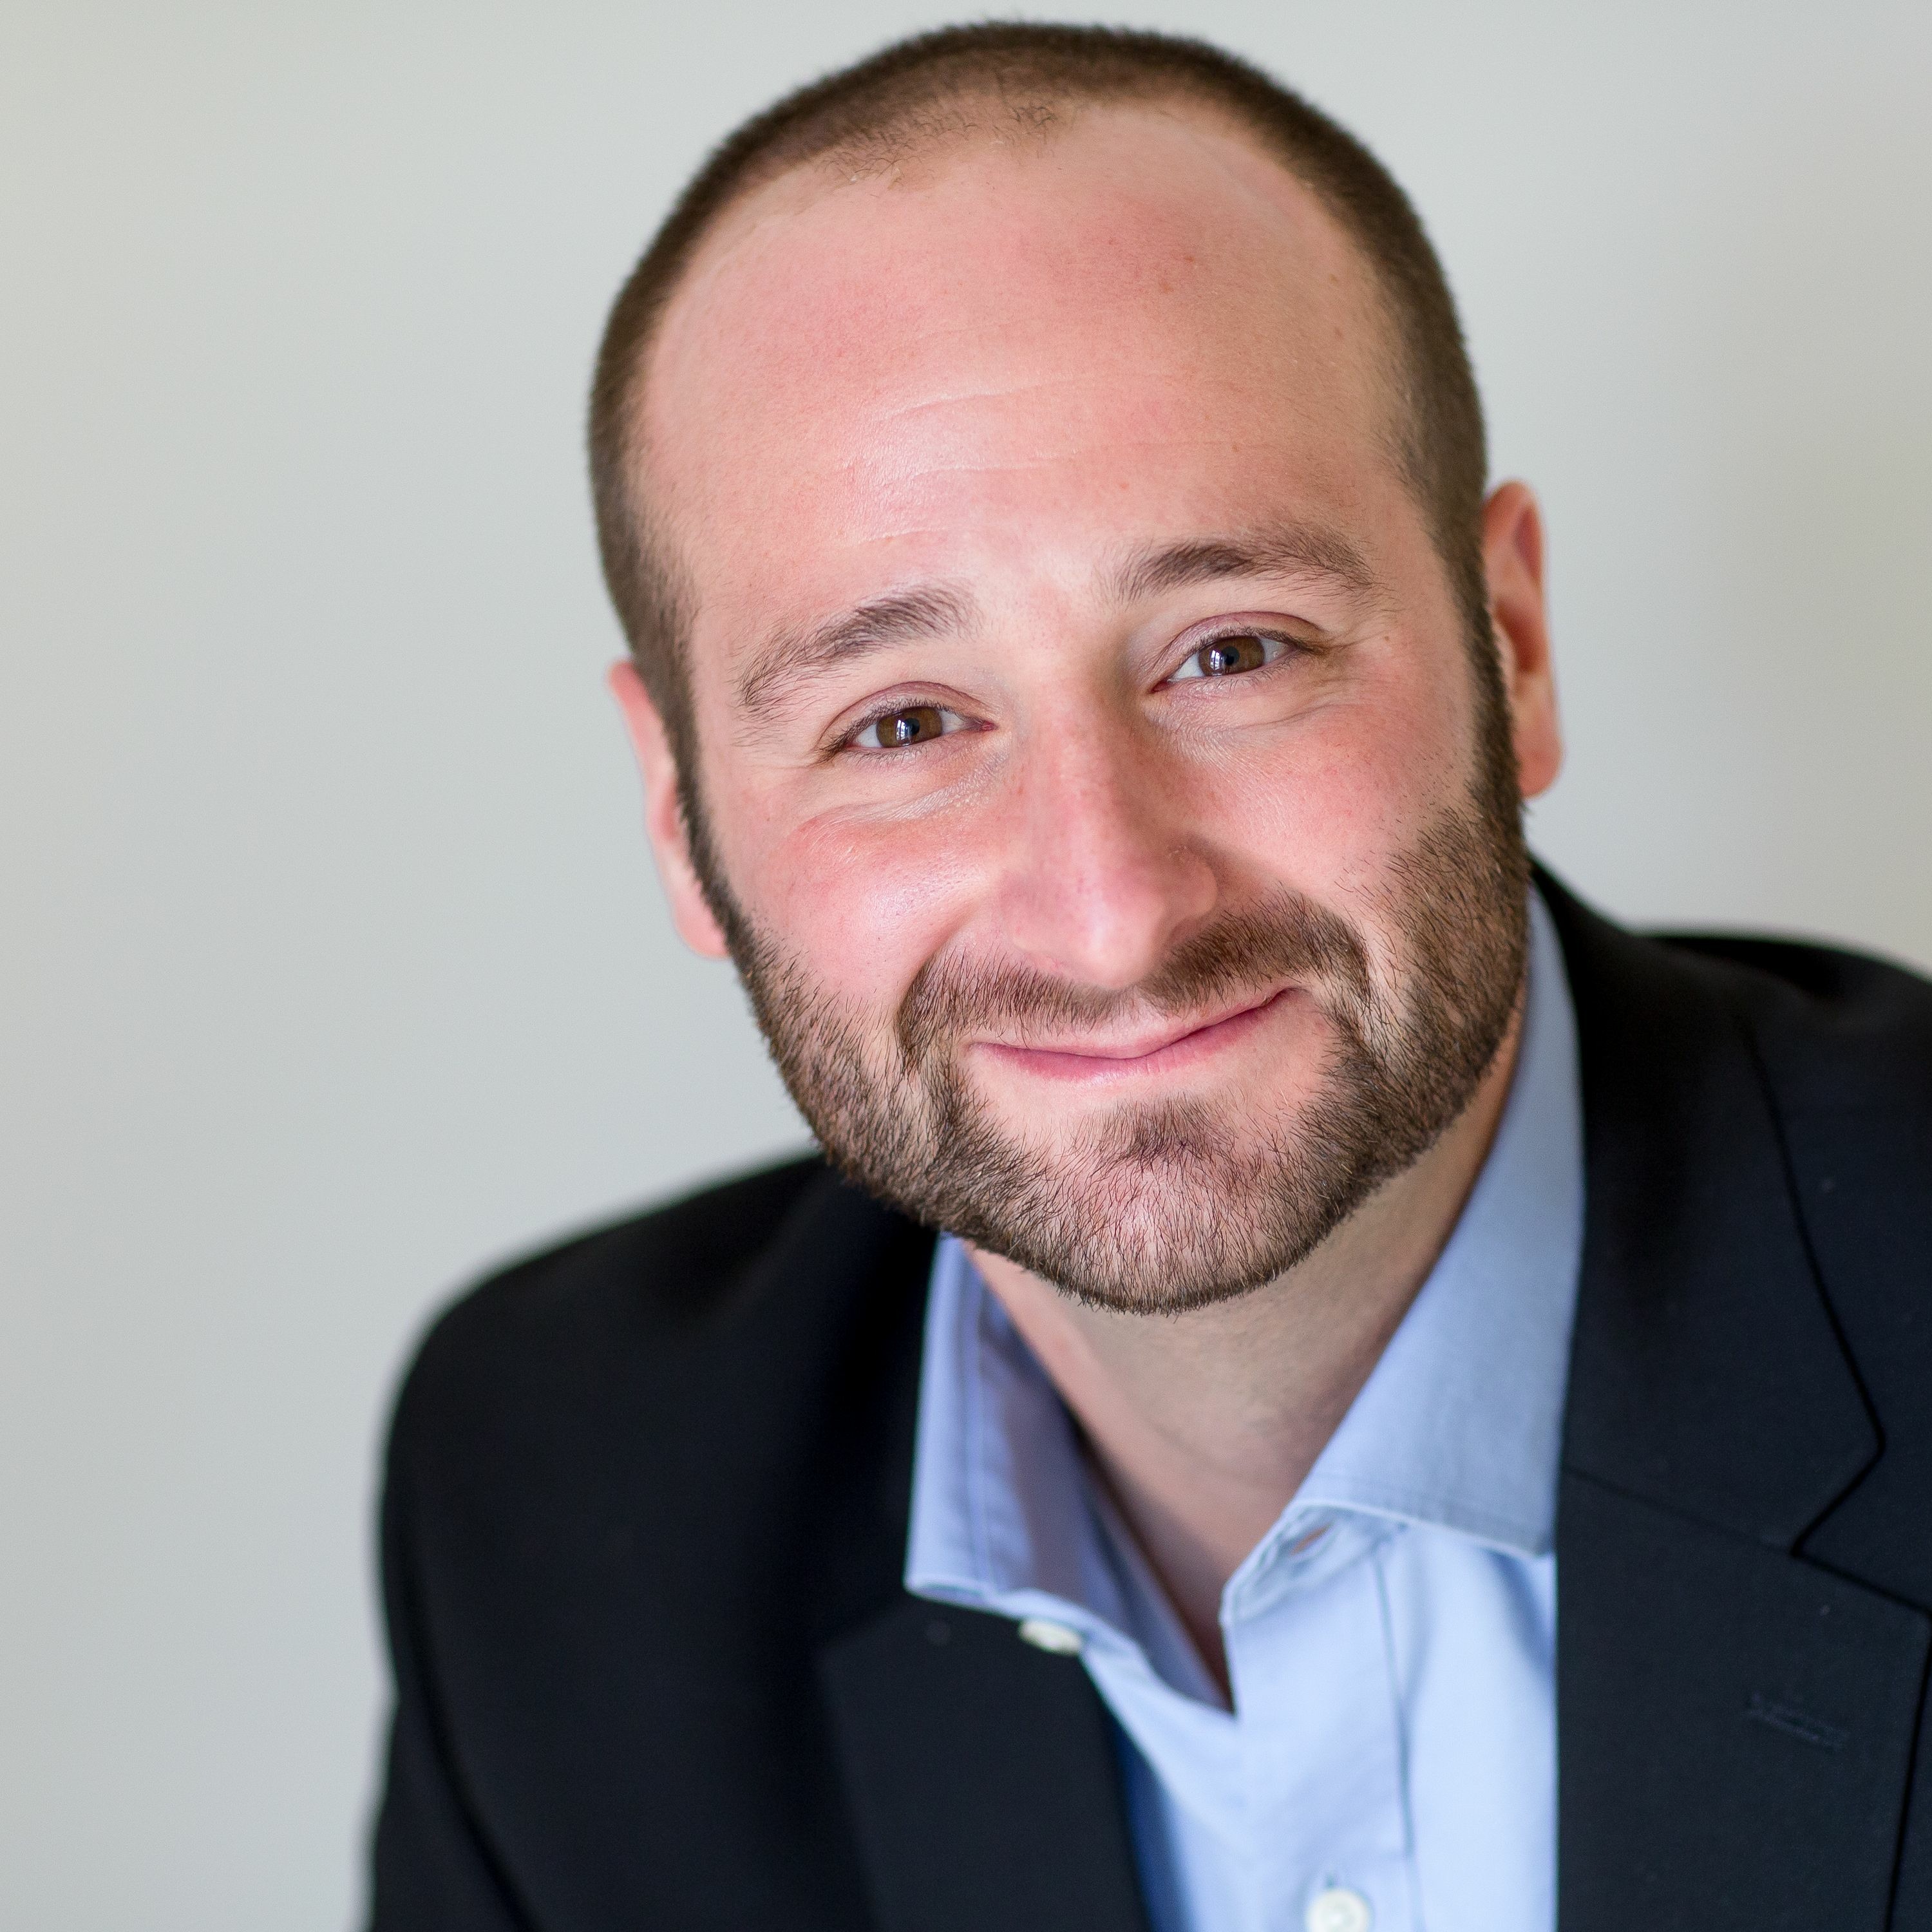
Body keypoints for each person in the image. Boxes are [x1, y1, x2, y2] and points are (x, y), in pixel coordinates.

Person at [367, 24, 1932, 1932]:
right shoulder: (554, 1500)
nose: (1113, 915)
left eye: (1232, 651)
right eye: (902, 722)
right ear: (682, 816)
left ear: (1511, 646)